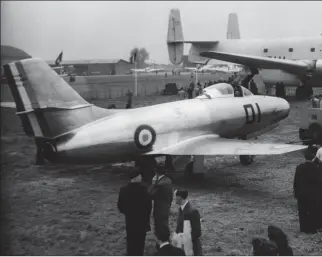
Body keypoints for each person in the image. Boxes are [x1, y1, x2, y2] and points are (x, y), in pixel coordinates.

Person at [117, 168, 152, 256]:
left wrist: (128, 213)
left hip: (130, 220)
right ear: (136, 177)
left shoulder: (123, 190)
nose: (141, 177)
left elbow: (120, 206)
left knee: (130, 240)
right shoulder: (144, 189)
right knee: (140, 241)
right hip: (142, 220)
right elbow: (149, 206)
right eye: (140, 176)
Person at [293, 146, 321, 233]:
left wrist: (296, 193)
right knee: (313, 210)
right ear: (313, 157)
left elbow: (296, 182)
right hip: (314, 194)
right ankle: (313, 228)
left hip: (302, 193)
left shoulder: (299, 167)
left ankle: (304, 228)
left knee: (302, 211)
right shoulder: (317, 168)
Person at [148, 165, 173, 243]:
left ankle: (163, 246)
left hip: (159, 210)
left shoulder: (160, 184)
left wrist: (153, 183)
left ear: (156, 173)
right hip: (166, 207)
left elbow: (150, 194)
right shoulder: (168, 181)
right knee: (165, 227)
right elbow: (171, 196)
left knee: (160, 229)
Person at [174, 189, 202, 256]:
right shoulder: (180, 209)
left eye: (175, 196)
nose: (174, 198)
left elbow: (197, 232)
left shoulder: (193, 211)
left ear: (179, 197)